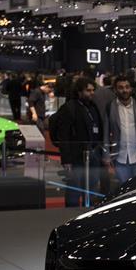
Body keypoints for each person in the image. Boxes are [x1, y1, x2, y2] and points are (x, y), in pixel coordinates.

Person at [51, 77, 107, 206]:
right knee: (74, 189)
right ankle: (71, 216)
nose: (92, 93)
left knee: (92, 187)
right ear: (79, 92)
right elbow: (63, 135)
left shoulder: (93, 106)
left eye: (93, 90)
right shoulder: (69, 108)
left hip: (93, 154)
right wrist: (66, 159)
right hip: (76, 156)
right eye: (88, 90)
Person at [105, 75, 136, 185]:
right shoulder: (110, 107)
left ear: (131, 88)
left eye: (127, 87)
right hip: (119, 157)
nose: (124, 90)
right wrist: (107, 155)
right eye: (121, 87)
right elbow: (106, 133)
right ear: (115, 90)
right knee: (124, 190)